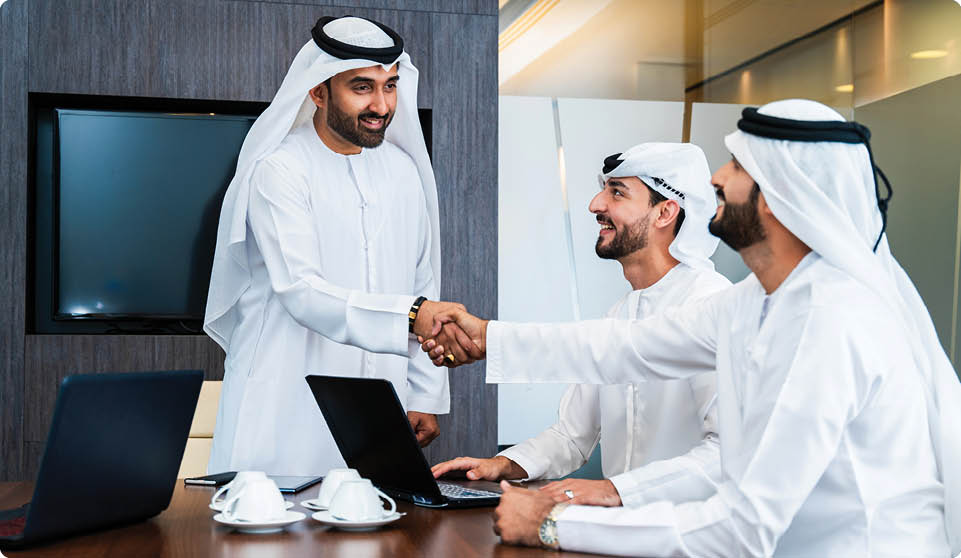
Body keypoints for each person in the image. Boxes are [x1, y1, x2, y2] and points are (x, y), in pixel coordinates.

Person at [423, 100, 961, 556]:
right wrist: (486, 334)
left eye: (736, 166)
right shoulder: (758, 302)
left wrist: (555, 523)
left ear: (778, 195)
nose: (717, 179)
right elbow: (624, 348)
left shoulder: (831, 320)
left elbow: (744, 523)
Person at [202, 15, 477, 476]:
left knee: (368, 538)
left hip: (377, 406)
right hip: (282, 403)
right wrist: (412, 315)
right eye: (362, 87)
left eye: (390, 86)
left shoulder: (403, 172)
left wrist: (425, 392)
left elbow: (422, 282)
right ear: (318, 91)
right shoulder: (280, 170)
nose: (382, 105)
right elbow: (302, 291)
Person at [431, 143, 730, 510]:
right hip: (621, 537)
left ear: (665, 212)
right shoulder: (620, 314)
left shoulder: (713, 306)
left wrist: (616, 491)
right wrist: (503, 465)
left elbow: (726, 454)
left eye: (617, 192)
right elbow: (573, 435)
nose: (595, 204)